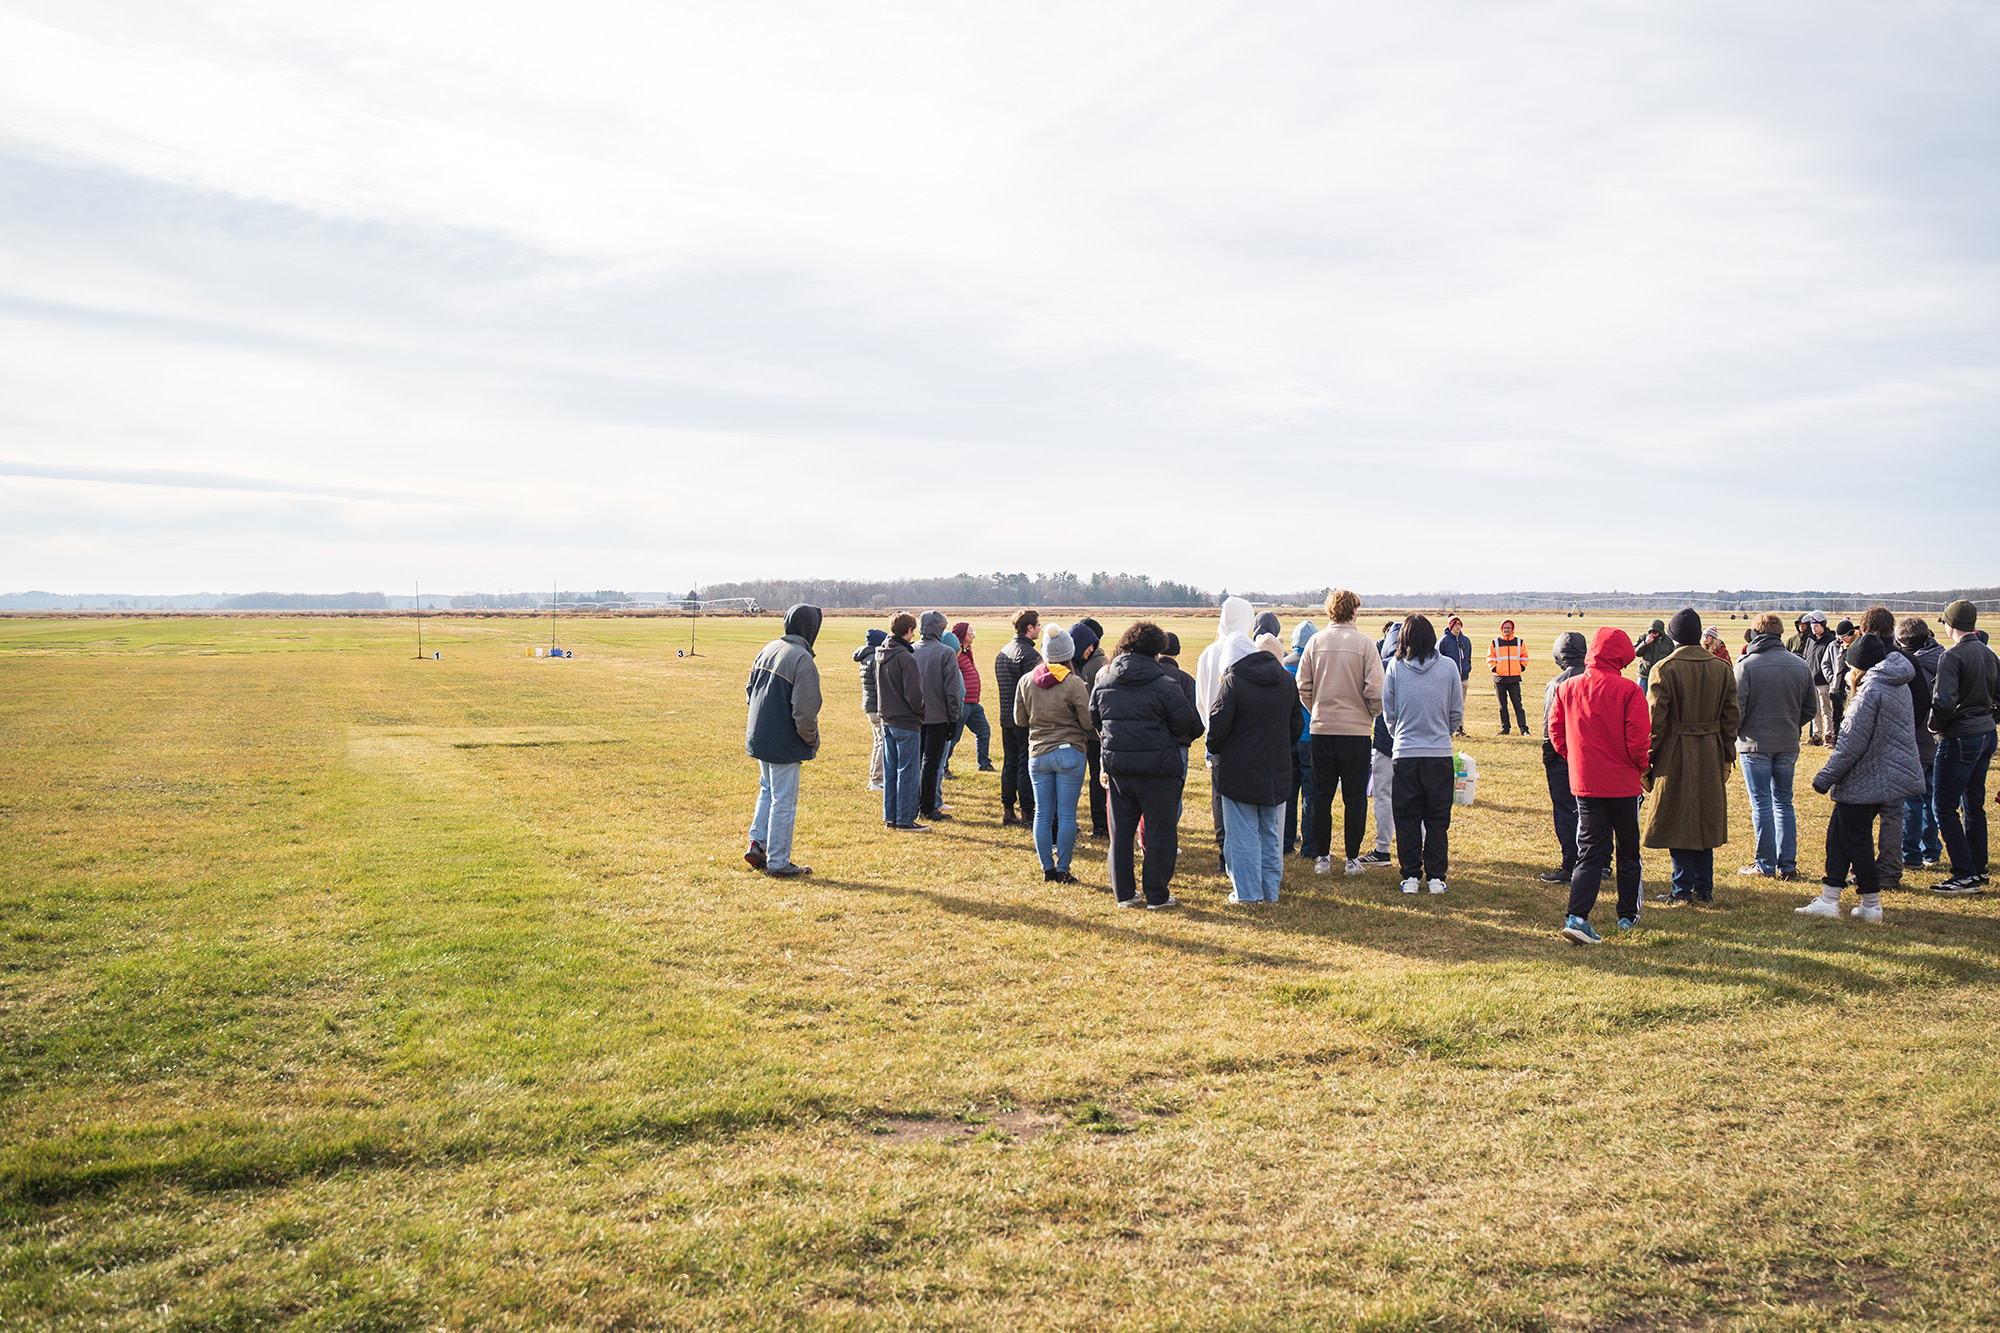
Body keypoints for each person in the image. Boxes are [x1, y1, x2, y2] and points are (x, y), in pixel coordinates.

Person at [1798, 634, 1926, 922]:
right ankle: (1829, 898)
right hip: (1883, 775)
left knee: (1856, 841)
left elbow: (1851, 743)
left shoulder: (1869, 692)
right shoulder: (1897, 683)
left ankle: (1871, 904)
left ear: (1859, 667)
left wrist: (1824, 777)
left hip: (1865, 778)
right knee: (1838, 836)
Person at [1093, 621, 1205, 909]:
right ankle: (1157, 894)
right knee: (1160, 833)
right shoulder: (1166, 685)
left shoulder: (1105, 681)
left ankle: (1124, 894)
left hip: (1119, 769)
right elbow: (1191, 725)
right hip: (1158, 771)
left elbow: (1094, 718)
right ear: (1157, 652)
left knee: (1120, 835)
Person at [1551, 628, 1651, 943]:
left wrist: (1578, 759)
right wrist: (1642, 768)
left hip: (1586, 782)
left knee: (1590, 851)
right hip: (1623, 783)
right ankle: (1627, 916)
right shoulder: (1629, 690)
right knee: (1628, 849)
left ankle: (1577, 916)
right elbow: (1638, 741)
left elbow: (1556, 732)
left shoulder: (1567, 687)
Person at [1644, 609, 1740, 906]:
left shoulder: (1664, 668)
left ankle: (1682, 888)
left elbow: (1654, 721)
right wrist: (1726, 754)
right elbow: (1731, 719)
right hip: (1710, 749)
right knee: (1704, 818)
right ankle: (1704, 887)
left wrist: (1647, 758)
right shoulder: (1721, 667)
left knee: (1679, 819)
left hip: (1676, 750)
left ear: (1673, 635)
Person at [1207, 630, 1303, 903]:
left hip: (1239, 771)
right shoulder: (1286, 680)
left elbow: (1217, 729)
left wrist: (1219, 750)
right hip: (1276, 769)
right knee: (1270, 832)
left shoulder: (1233, 683)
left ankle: (1248, 893)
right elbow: (1296, 725)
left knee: (1242, 834)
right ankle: (1269, 890)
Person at [1295, 589, 1385, 876]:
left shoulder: (1315, 642)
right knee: (1355, 796)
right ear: (1354, 612)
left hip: (1321, 728)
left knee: (1321, 795)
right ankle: (1352, 858)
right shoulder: (1365, 644)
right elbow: (1377, 690)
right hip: (1356, 731)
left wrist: (1318, 708)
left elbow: (1303, 686)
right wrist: (1369, 712)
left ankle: (1322, 856)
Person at [1382, 614, 1462, 894]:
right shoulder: (1449, 667)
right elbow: (1456, 713)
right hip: (1439, 753)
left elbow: (1388, 712)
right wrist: (1441, 733)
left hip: (1405, 752)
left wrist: (1400, 736)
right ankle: (1437, 877)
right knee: (1438, 819)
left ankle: (1412, 876)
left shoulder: (1395, 666)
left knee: (1407, 818)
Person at [743, 604, 824, 878]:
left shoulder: (769, 648)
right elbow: (804, 710)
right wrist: (810, 740)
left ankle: (758, 845)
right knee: (784, 800)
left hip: (760, 735)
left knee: (766, 790)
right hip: (783, 741)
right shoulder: (802, 659)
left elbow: (749, 691)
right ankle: (778, 862)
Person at [1734, 612, 1815, 881]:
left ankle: (1765, 864)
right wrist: (1791, 724)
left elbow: (1738, 710)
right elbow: (1810, 709)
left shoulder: (1746, 665)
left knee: (1762, 805)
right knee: (1784, 803)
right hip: (1788, 742)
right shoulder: (1800, 665)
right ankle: (1787, 864)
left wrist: (1739, 732)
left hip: (1754, 744)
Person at [1929, 600, 1999, 894]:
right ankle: (1977, 869)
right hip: (1986, 732)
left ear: (1950, 625)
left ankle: (1963, 873)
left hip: (1959, 735)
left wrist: (1934, 726)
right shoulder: (1988, 652)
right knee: (1973, 804)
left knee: (1943, 806)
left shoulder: (1952, 656)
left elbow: (1943, 701)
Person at [1015, 625, 1095, 883]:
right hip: (1070, 752)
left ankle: (1047, 868)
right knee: (1067, 813)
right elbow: (1087, 722)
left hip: (1038, 753)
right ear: (1069, 653)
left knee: (1042, 812)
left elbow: (1020, 720)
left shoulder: (1026, 680)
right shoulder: (1074, 683)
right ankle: (1064, 868)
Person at [1196, 597, 1258, 871]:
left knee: (1220, 795)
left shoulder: (1208, 653)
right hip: (1247, 736)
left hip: (1216, 735)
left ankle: (1225, 852)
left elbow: (1200, 699)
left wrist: (1210, 729)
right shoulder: (1251, 651)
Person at [1538, 631, 1588, 883]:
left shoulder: (1556, 683)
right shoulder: (1595, 678)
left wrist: (1550, 756)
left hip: (1562, 755)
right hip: (1592, 756)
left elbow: (1549, 728)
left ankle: (1570, 863)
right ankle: (1601, 862)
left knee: (1566, 811)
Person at [1895, 616, 1945, 871]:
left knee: (1913, 799)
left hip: (1915, 737)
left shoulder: (1908, 666)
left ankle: (1912, 854)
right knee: (1932, 797)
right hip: (1938, 739)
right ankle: (1932, 851)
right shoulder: (1945, 659)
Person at [875, 613, 929, 832]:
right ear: (908, 631)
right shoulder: (906, 657)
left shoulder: (881, 653)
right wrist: (921, 711)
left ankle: (891, 817)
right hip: (906, 721)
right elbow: (914, 694)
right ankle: (906, 819)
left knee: (891, 771)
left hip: (886, 718)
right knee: (908, 771)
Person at [992, 609, 1042, 828]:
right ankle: (1027, 812)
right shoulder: (1030, 655)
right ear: (1029, 628)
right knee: (1025, 764)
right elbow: (1037, 688)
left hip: (1005, 716)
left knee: (1009, 763)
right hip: (1024, 718)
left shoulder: (1003, 651)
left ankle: (1007, 809)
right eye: (1038, 625)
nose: (1039, 628)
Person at [913, 611, 964, 821]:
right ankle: (927, 806)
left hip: (915, 716)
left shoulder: (911, 649)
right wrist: (954, 718)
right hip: (938, 716)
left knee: (915, 762)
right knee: (931, 764)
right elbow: (952, 690)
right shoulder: (946, 653)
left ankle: (913, 802)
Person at [1363, 622, 1400, 868]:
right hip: (1417, 745)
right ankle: (1421, 845)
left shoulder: (1384, 666)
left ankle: (1383, 849)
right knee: (1416, 797)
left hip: (1386, 742)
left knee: (1384, 795)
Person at [1070, 621, 1110, 837]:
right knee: (1098, 778)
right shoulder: (1103, 665)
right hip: (1096, 733)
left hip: (1075, 732)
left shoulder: (1073, 664)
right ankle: (1101, 825)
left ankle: (1070, 822)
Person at [1282, 621, 1318, 856]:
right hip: (1310, 735)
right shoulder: (1315, 664)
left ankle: (1285, 843)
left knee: (1288, 793)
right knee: (1311, 793)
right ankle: (1310, 846)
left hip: (1287, 737)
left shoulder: (1283, 665)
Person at [944, 621, 993, 778]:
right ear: (963, 635)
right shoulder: (954, 654)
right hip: (962, 703)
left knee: (984, 731)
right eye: (971, 634)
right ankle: (943, 767)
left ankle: (984, 764)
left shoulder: (967, 652)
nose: (973, 636)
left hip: (974, 703)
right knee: (954, 738)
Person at [853, 627, 888, 791]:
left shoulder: (866, 657)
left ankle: (876, 777)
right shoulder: (875, 659)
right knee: (882, 742)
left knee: (878, 741)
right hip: (877, 706)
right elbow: (880, 686)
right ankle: (877, 779)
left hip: (869, 705)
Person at [1487, 619, 1529, 734]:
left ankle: (1523, 729)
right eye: (1505, 628)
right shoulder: (1495, 642)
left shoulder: (1519, 642)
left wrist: (1521, 668)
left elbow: (1524, 656)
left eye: (1509, 628)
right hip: (1500, 678)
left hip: (1514, 678)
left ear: (1512, 629)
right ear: (1501, 629)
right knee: (1502, 706)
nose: (1506, 630)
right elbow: (1490, 658)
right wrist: (1495, 669)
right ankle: (1505, 728)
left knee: (1518, 705)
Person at [1801, 612, 1835, 744]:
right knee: (1815, 710)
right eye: (1812, 625)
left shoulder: (1830, 640)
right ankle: (1817, 735)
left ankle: (1829, 735)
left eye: (1816, 625)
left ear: (1823, 625)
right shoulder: (1810, 639)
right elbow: (1806, 657)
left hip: (1824, 681)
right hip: (1811, 680)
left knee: (1826, 709)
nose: (1813, 627)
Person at [1438, 616, 1475, 739]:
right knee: (1446, 704)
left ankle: (1459, 729)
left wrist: (1466, 668)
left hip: (1463, 678)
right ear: (1450, 626)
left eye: (1459, 625)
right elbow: (1437, 659)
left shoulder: (1466, 641)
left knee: (1460, 705)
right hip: (1447, 679)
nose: (1457, 627)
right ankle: (1445, 729)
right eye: (1455, 625)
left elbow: (1468, 657)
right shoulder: (1443, 641)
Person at [1823, 619, 1857, 744]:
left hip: (1850, 688)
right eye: (1840, 637)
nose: (1842, 640)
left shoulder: (1857, 647)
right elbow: (1826, 664)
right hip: (1837, 686)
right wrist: (1832, 679)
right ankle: (1835, 736)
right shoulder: (1836, 646)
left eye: (1844, 637)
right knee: (1836, 714)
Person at [1633, 619, 1674, 697]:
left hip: (1659, 676)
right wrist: (1645, 643)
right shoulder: (1643, 638)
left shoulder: (1668, 641)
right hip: (1644, 674)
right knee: (1640, 698)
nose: (1652, 634)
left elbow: (1672, 656)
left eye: (1655, 632)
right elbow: (1636, 653)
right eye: (1651, 632)